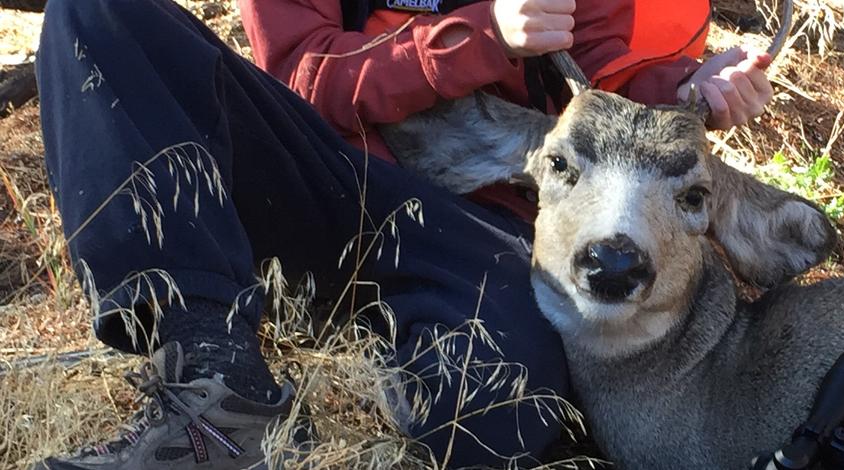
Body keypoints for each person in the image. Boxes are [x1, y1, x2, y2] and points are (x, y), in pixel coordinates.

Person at [32, 0, 773, 468]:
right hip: (322, 179)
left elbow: (605, 102)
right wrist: (479, 37)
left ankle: (365, 387)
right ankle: (213, 381)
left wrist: (684, 91)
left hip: (478, 229)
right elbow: (300, 75)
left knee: (504, 415)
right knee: (100, 11)